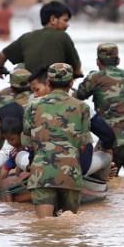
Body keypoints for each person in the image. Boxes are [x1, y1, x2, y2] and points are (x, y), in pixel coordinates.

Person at [23, 63, 91, 218]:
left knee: (44, 227)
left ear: (48, 82)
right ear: (72, 83)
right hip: (70, 174)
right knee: (69, 228)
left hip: (42, 174)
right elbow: (84, 144)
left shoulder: (32, 106)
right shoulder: (82, 107)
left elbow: (27, 142)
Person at [75, 43, 124, 181]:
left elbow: (77, 98)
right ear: (118, 60)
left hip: (112, 139)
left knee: (98, 180)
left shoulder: (95, 77)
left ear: (98, 61)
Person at [0, 1, 82, 84]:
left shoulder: (26, 37)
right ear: (53, 19)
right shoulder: (63, 36)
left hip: (32, 88)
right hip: (53, 90)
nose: (67, 25)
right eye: (65, 20)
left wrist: (0, 68)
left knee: (20, 67)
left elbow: (2, 55)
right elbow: (77, 69)